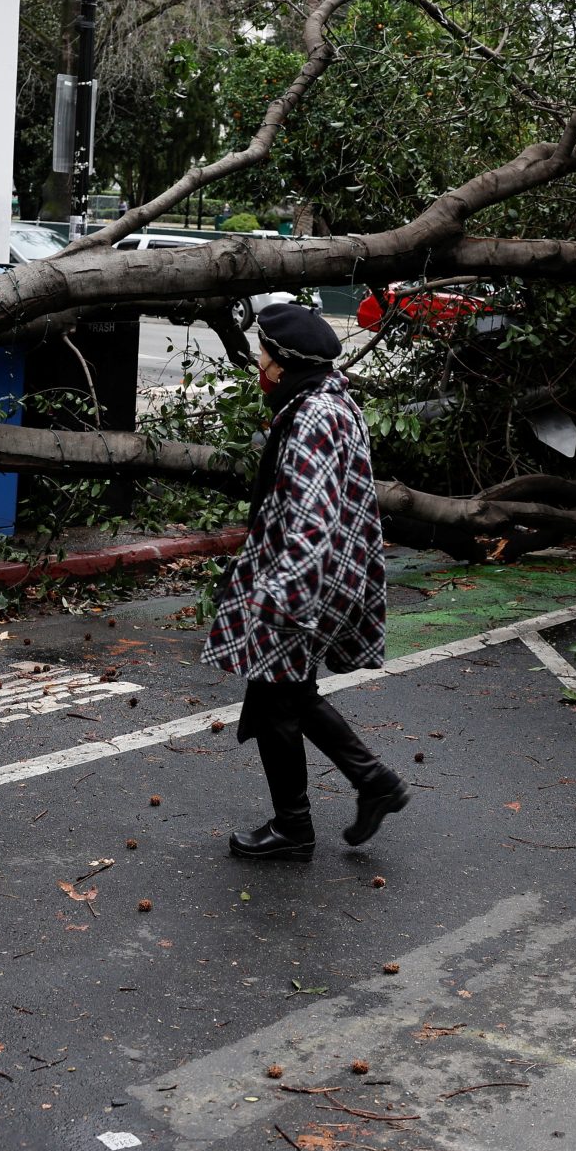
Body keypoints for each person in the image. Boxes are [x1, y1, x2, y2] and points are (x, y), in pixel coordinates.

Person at [203, 302, 404, 860]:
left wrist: (286, 596)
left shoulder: (313, 414)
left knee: (276, 700)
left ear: (283, 362)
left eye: (262, 353)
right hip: (321, 575)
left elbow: (311, 517)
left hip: (306, 582)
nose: (257, 363)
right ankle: (372, 784)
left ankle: (297, 826)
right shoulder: (326, 399)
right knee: (285, 695)